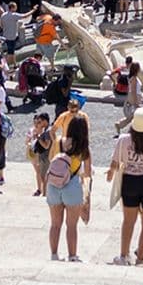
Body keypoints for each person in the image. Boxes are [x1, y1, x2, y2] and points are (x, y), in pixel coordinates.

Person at [108, 107, 143, 266]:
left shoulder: (123, 140)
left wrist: (110, 174)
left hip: (130, 182)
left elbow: (114, 162)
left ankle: (123, 255)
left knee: (128, 221)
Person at [45, 111, 91, 262]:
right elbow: (87, 174)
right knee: (71, 225)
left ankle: (53, 254)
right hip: (72, 185)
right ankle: (72, 255)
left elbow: (52, 159)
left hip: (54, 184)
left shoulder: (58, 141)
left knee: (55, 224)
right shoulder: (84, 148)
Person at [27, 110, 54, 196]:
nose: (39, 123)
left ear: (45, 121)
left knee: (44, 176)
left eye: (40, 121)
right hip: (43, 155)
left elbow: (46, 146)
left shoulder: (47, 131)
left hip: (46, 156)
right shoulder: (46, 130)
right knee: (43, 175)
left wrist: (38, 138)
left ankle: (45, 194)